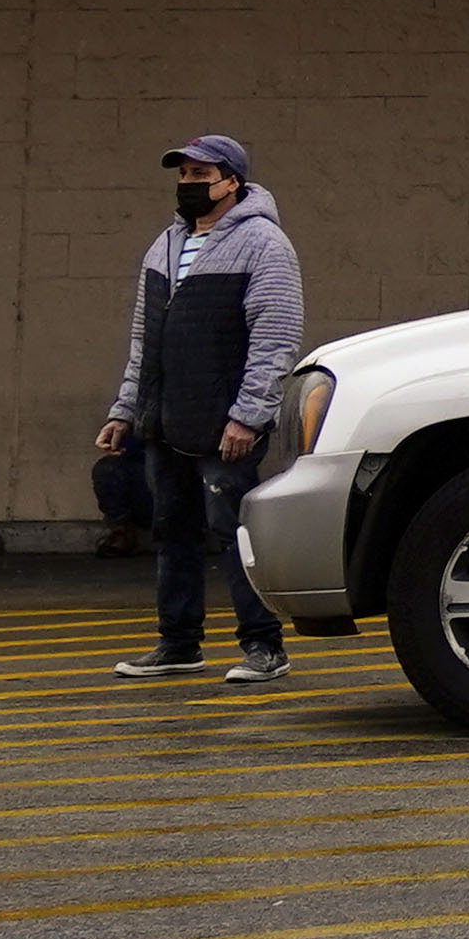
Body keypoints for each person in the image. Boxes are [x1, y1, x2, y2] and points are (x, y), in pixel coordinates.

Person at [96, 132, 306, 682]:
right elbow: (145, 340)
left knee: (235, 533)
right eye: (183, 175)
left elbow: (276, 336)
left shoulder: (264, 244)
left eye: (200, 175)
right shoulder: (164, 245)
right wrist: (125, 411)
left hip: (223, 424)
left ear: (232, 182)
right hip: (164, 419)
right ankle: (179, 644)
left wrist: (249, 415)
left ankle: (265, 647)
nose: (188, 185)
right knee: (173, 530)